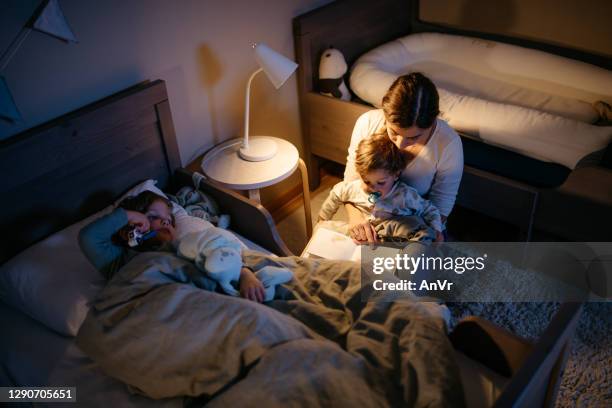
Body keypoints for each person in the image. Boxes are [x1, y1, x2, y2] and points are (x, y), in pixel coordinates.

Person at [78, 190, 266, 302]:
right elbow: (88, 238)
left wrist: (245, 274)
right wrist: (130, 216)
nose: (165, 222)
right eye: (153, 217)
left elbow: (223, 257)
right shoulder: (118, 260)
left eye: (168, 220)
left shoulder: (187, 247)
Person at [344, 72, 463, 243]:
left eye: (414, 137)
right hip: (368, 215)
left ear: (432, 123)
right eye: (394, 132)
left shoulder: (448, 144)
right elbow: (351, 182)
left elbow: (441, 206)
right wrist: (356, 219)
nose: (400, 144)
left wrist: (411, 234)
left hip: (416, 222)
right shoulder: (367, 123)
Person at [319, 133, 443, 243]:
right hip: (362, 235)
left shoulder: (405, 195)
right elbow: (336, 192)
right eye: (367, 181)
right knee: (325, 232)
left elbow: (429, 210)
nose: (373, 188)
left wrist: (437, 229)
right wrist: (323, 218)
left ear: (396, 175)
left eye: (381, 183)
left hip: (394, 238)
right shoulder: (353, 188)